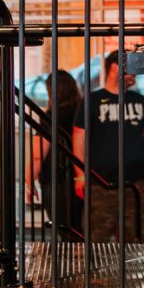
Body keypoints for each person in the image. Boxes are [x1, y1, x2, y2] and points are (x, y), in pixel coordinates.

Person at [71, 51, 144, 242]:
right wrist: (80, 174)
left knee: (137, 240)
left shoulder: (140, 101)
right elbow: (78, 138)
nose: (134, 74)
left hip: (135, 184)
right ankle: (96, 274)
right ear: (114, 68)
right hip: (101, 184)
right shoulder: (91, 101)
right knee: (96, 241)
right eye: (130, 69)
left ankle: (134, 274)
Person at [32, 69, 83, 235]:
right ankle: (82, 257)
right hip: (81, 174)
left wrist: (29, 180)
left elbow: (39, 152)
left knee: (63, 226)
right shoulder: (81, 112)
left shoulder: (51, 116)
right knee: (80, 225)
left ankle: (71, 258)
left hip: (56, 178)